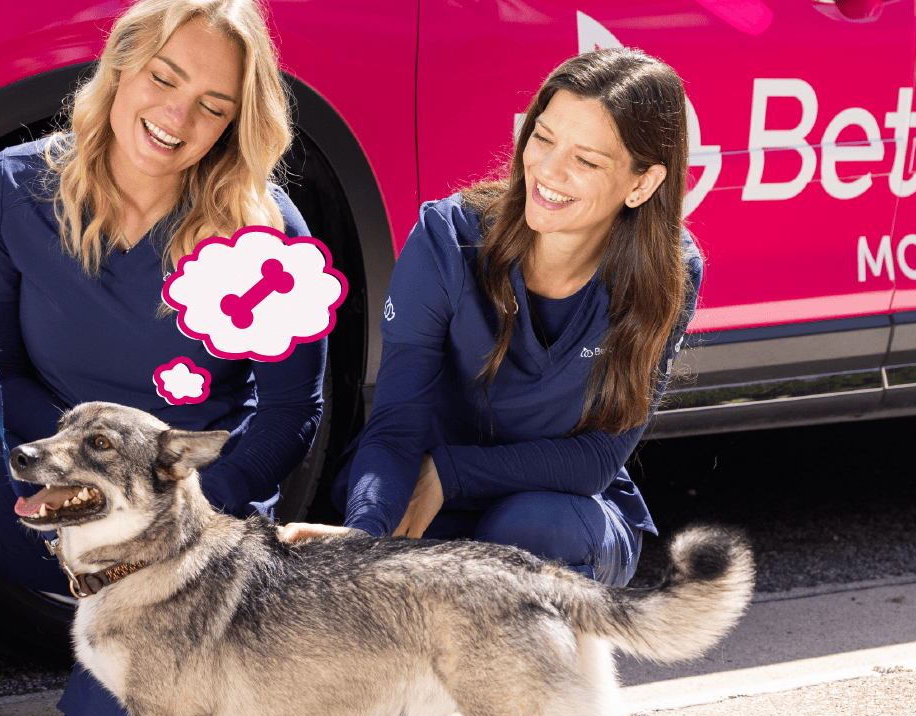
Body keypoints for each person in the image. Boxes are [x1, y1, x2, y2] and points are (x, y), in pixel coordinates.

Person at [0, 0, 324, 716]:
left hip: (190, 525)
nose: (177, 115)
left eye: (214, 106)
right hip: (64, 484)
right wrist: (84, 478)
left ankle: (245, 664)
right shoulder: (15, 187)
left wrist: (182, 509)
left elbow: (292, 410)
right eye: (164, 77)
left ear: (237, 124)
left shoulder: (266, 232)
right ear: (121, 64)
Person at [282, 48, 701, 588]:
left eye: (587, 160)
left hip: (554, 515)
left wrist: (452, 472)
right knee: (391, 544)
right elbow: (395, 425)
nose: (548, 171)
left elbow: (597, 458)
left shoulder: (670, 270)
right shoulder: (446, 239)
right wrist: (365, 540)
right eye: (542, 137)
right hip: (427, 498)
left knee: (525, 527)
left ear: (641, 184)